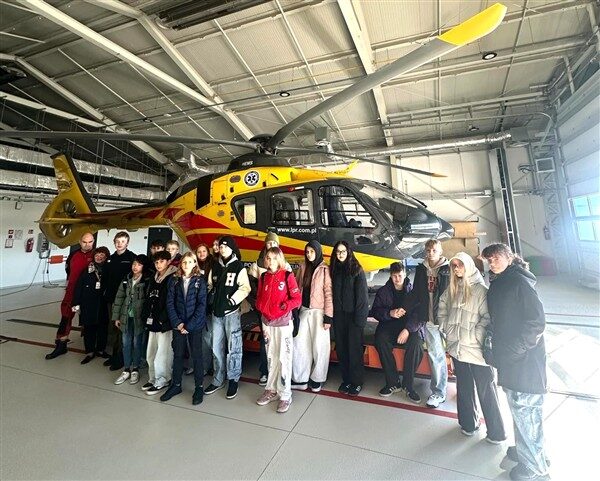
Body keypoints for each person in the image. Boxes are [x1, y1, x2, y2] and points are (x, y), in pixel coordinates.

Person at [482, 244, 550, 481]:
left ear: (509, 258)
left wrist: (514, 350)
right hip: (512, 362)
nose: (492, 263)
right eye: (489, 260)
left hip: (524, 365)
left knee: (527, 414)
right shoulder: (503, 281)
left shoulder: (519, 282)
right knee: (523, 417)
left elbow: (536, 323)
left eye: (496, 258)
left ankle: (536, 470)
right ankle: (531, 455)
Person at [438, 252, 506, 443]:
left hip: (476, 350)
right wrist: (446, 328)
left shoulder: (481, 290)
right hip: (458, 348)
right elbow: (442, 308)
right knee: (464, 387)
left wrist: (476, 335)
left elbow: (488, 317)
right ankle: (468, 424)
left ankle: (496, 432)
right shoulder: (452, 289)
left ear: (468, 265)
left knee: (486, 390)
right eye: (454, 266)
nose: (456, 269)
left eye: (459, 265)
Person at [401, 238, 450, 408]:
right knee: (436, 356)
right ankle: (438, 393)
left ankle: (466, 387)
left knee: (458, 354)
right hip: (430, 320)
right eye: (428, 250)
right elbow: (416, 293)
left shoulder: (449, 269)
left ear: (440, 251)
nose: (431, 253)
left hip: (448, 320)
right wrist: (404, 308)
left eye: (434, 250)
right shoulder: (421, 269)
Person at [255, 247, 302, 413]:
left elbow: (297, 299)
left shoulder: (288, 275)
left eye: (274, 258)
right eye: (268, 258)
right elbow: (259, 297)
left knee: (284, 359)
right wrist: (261, 307)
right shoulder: (264, 277)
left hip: (283, 323)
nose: (271, 261)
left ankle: (285, 394)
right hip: (267, 323)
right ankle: (271, 389)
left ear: (280, 259)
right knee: (271, 357)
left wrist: (284, 306)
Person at [204, 236, 251, 400]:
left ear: (232, 248)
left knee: (234, 347)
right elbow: (210, 285)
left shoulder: (239, 267)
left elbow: (245, 287)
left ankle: (233, 379)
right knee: (216, 347)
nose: (222, 249)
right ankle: (218, 379)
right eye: (221, 246)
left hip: (231, 314)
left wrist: (232, 301)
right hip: (216, 314)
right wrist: (210, 300)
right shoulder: (215, 266)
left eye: (225, 246)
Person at [370, 262, 424, 403]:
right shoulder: (383, 291)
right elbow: (375, 311)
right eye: (394, 276)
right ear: (390, 276)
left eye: (400, 275)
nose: (397, 279)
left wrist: (407, 330)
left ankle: (408, 385)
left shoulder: (413, 292)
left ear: (405, 274)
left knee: (416, 344)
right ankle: (393, 382)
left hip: (409, 327)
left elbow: (419, 315)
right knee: (380, 339)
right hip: (389, 324)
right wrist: (390, 313)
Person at [161, 252, 208, 405]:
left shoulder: (200, 281)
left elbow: (202, 305)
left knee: (197, 355)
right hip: (179, 324)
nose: (186, 265)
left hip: (195, 325)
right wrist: (178, 323)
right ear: (181, 264)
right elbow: (170, 303)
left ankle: (199, 387)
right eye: (184, 262)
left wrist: (189, 325)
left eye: (190, 262)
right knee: (178, 354)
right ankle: (176, 385)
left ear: (195, 263)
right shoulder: (174, 280)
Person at [247, 232, 289, 386]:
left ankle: (282, 374)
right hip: (263, 312)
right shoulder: (257, 265)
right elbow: (251, 287)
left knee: (281, 343)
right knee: (266, 341)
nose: (271, 246)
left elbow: (290, 290)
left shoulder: (285, 266)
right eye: (269, 243)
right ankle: (265, 371)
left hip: (280, 313)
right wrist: (257, 304)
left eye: (274, 243)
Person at [45, 232, 95, 360]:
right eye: (84, 242)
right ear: (79, 242)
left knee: (90, 320)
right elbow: (68, 270)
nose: (87, 245)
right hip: (72, 292)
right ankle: (61, 344)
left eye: (90, 242)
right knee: (66, 317)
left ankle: (91, 349)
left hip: (89, 293)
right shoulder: (74, 255)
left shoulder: (96, 255)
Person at [291, 240, 333, 393]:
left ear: (318, 252)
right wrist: (294, 310)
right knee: (299, 345)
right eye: (307, 252)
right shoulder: (303, 267)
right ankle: (300, 379)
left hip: (319, 312)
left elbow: (328, 293)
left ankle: (317, 379)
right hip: (304, 310)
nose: (309, 255)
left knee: (320, 347)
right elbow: (296, 288)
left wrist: (328, 316)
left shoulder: (324, 270)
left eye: (312, 252)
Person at [330, 240, 369, 396]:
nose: (340, 254)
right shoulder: (333, 270)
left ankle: (356, 381)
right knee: (342, 349)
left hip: (354, 317)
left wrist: (360, 321)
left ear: (348, 252)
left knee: (354, 350)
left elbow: (362, 298)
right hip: (339, 316)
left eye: (343, 251)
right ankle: (346, 379)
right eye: (338, 252)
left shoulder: (357, 270)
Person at [141, 250, 177, 395]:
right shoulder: (154, 278)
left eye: (162, 261)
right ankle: (153, 377)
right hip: (152, 320)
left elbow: (171, 301)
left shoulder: (173, 278)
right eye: (156, 262)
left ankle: (163, 378)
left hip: (164, 322)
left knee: (163, 352)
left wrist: (164, 319)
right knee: (151, 351)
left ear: (168, 262)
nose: (158, 264)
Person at [111, 255, 148, 386]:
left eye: (139, 264)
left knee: (137, 343)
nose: (135, 267)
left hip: (139, 319)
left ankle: (135, 368)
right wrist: (116, 317)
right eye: (134, 264)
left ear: (143, 266)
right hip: (125, 317)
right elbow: (119, 298)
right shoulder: (126, 279)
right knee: (126, 343)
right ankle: (126, 369)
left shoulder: (146, 281)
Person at [72, 246, 111, 364]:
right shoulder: (87, 270)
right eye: (97, 255)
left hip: (102, 304)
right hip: (88, 304)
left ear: (106, 257)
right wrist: (76, 303)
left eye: (102, 255)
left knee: (103, 327)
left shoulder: (108, 270)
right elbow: (79, 287)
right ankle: (89, 351)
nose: (99, 257)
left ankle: (100, 349)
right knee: (89, 328)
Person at [103, 231, 136, 371]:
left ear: (127, 243)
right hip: (111, 299)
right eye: (117, 241)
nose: (119, 244)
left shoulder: (132, 258)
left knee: (122, 328)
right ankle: (114, 354)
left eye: (122, 241)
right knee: (113, 327)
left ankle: (121, 357)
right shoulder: (110, 259)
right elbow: (105, 278)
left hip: (125, 299)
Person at [196, 242, 215, 377]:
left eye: (204, 251)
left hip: (208, 307)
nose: (202, 254)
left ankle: (209, 366)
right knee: (197, 339)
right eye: (199, 251)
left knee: (207, 338)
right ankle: (197, 365)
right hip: (194, 306)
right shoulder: (193, 266)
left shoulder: (213, 265)